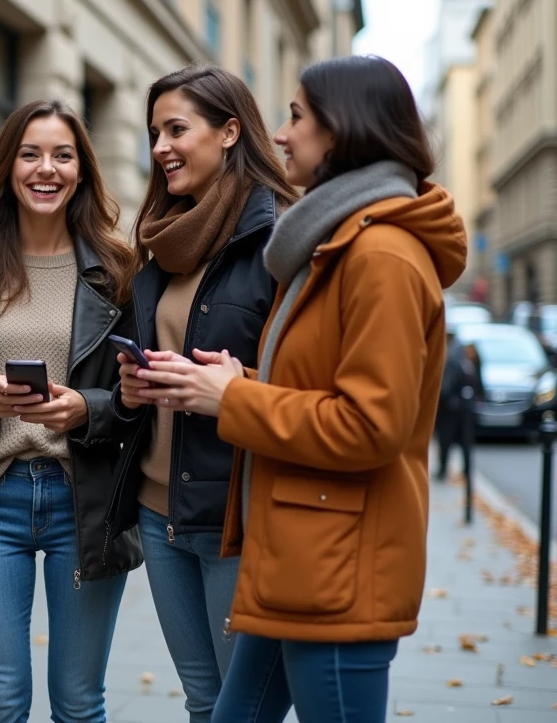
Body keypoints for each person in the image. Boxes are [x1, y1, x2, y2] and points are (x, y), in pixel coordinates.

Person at [136, 55, 467, 722]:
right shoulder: (334, 243)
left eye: (295, 116)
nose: (281, 134)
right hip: (295, 558)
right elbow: (315, 390)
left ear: (341, 131)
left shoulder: (382, 256)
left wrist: (233, 398)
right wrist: (231, 383)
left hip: (338, 570)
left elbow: (372, 425)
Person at [0, 99, 142, 722]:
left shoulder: (119, 271)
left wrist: (87, 409)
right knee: (0, 702)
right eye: (31, 154)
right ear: (8, 166)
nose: (47, 169)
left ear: (82, 171)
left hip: (87, 500)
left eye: (63, 155)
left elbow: (139, 396)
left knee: (78, 703)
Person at [107, 65, 297, 722]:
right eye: (154, 131)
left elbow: (309, 388)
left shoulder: (282, 244)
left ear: (228, 132)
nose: (159, 146)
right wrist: (130, 388)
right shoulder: (161, 245)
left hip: (236, 517)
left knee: (243, 709)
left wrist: (235, 388)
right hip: (160, 514)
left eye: (176, 129)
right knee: (203, 699)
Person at [434, 331, 480, 481]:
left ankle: (467, 471)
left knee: (466, 443)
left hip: (466, 411)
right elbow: (446, 387)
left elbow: (479, 386)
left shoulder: (473, 364)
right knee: (445, 442)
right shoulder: (454, 363)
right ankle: (443, 470)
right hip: (451, 411)